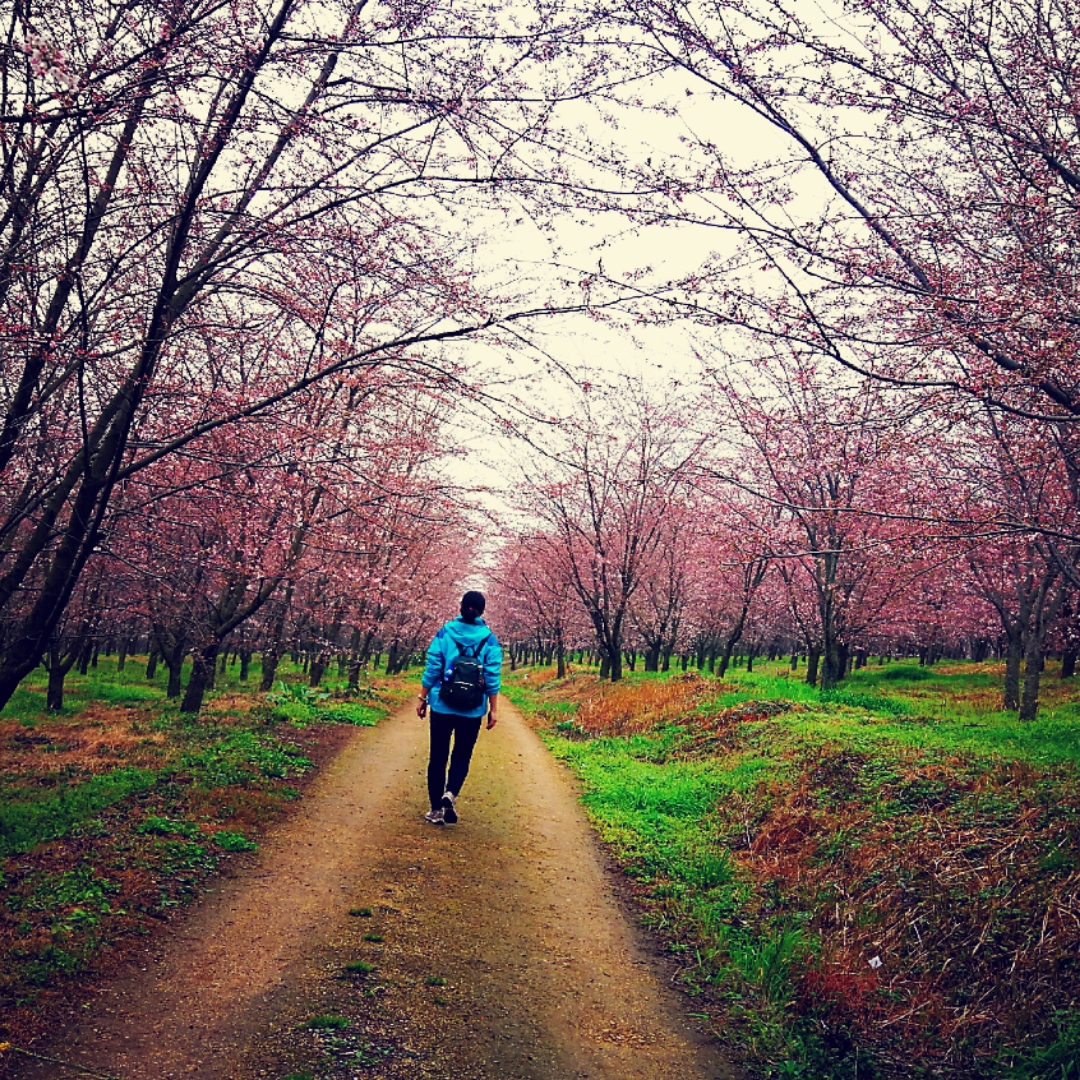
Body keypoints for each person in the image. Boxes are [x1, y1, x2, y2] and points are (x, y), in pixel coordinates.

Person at [417, 590, 502, 825]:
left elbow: (433, 667)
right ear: (482, 611)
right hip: (472, 708)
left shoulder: (445, 632)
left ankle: (435, 810)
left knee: (438, 756)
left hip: (442, 705)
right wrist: (493, 709)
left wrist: (423, 697)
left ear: (461, 606)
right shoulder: (489, 639)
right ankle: (450, 793)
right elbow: (492, 677)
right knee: (462, 755)